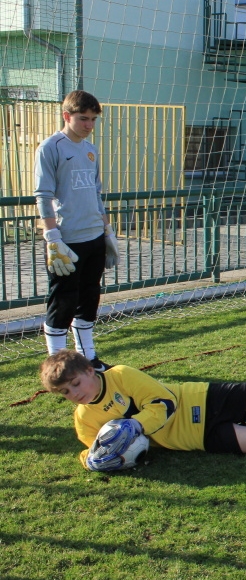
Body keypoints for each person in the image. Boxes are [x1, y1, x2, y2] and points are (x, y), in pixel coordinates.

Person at [39, 349, 246, 470]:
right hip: (189, 437)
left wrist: (136, 425)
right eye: (65, 392)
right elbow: (96, 449)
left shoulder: (121, 375)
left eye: (75, 384)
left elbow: (165, 402)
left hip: (199, 399)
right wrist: (90, 461)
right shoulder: (85, 418)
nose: (74, 394)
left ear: (90, 371)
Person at [34, 90, 119, 371]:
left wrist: (107, 232)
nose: (89, 125)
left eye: (93, 119)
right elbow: (43, 195)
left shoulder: (90, 149)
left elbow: (96, 193)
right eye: (83, 118)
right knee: (63, 301)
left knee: (89, 299)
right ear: (67, 115)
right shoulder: (50, 147)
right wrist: (52, 238)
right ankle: (57, 366)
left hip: (93, 236)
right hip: (67, 241)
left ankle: (88, 357)